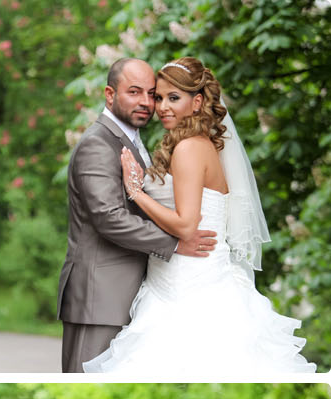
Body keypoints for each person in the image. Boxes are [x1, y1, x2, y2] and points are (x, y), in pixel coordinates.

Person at [83, 58, 317, 382]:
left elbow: (185, 225)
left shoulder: (190, 148)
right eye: (160, 97)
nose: (162, 106)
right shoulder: (194, 144)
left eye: (173, 98)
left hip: (192, 284)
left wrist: (135, 191)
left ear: (197, 102)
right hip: (169, 281)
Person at [58, 55, 216, 375]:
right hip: (100, 299)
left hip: (138, 295)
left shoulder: (138, 143)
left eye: (151, 94)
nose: (146, 102)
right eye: (134, 92)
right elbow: (108, 218)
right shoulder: (98, 145)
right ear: (110, 94)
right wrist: (174, 245)